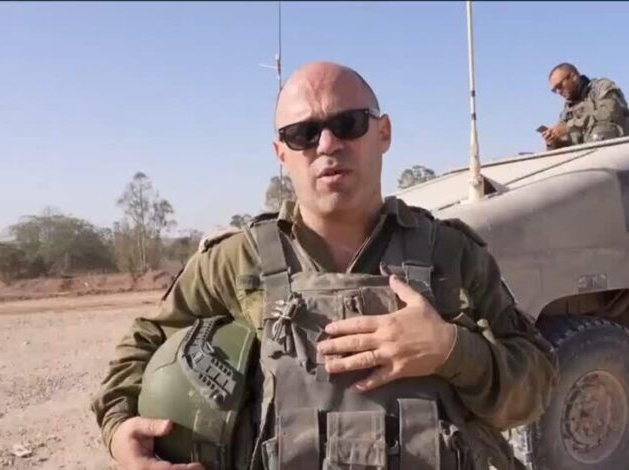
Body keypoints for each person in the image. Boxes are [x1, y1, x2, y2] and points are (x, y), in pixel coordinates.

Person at [91, 61, 557, 470]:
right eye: (303, 134)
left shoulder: (452, 254)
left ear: (383, 133)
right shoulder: (237, 261)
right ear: (282, 153)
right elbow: (145, 341)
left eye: (348, 123)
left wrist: (450, 350)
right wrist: (118, 431)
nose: (328, 144)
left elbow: (537, 385)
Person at [542, 62, 629, 149]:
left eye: (559, 86)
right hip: (588, 155)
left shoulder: (601, 87)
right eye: (555, 90)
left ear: (573, 77)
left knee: (601, 129)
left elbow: (608, 114)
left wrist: (569, 127)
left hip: (618, 147)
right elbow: (565, 138)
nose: (558, 92)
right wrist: (554, 140)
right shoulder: (567, 110)